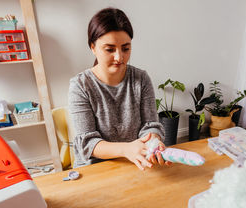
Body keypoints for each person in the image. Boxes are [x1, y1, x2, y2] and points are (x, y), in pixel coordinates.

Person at [69, 7, 171, 170]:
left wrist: (154, 142)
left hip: (136, 161)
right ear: (93, 47)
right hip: (95, 168)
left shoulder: (141, 79)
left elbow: (151, 124)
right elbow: (88, 143)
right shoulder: (80, 86)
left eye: (126, 48)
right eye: (110, 49)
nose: (119, 57)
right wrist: (126, 149)